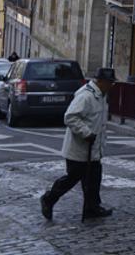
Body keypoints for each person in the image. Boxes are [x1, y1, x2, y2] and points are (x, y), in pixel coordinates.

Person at [39, 67, 116, 221]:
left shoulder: (100, 95)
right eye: (109, 82)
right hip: (79, 148)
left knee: (94, 178)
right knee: (72, 178)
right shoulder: (86, 96)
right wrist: (86, 133)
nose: (111, 86)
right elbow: (70, 117)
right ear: (100, 81)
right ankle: (49, 199)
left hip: (93, 148)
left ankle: (92, 207)